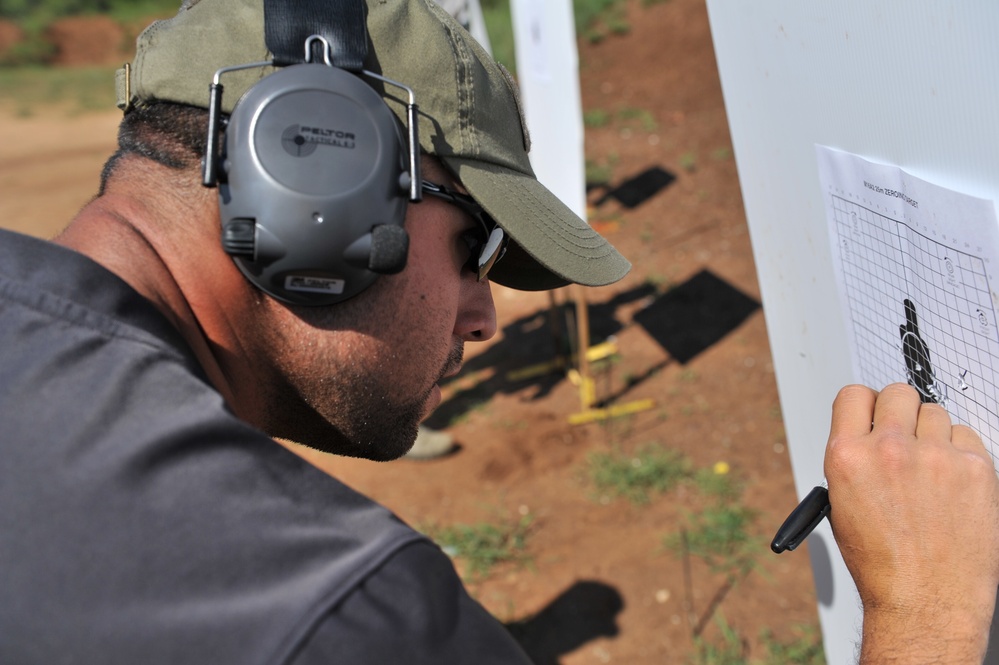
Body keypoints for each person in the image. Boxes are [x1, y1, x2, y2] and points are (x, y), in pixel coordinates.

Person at [0, 1, 995, 663]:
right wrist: (928, 615)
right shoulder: (326, 611)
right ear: (322, 179)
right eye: (473, 244)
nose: (484, 315)